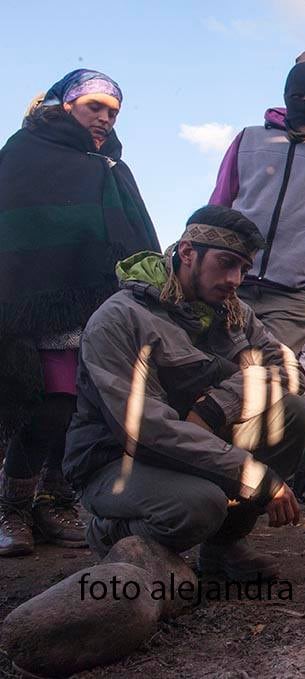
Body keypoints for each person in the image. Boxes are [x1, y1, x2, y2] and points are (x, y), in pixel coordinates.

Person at [63, 206, 305, 581]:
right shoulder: (120, 318)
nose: (234, 279)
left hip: (193, 445)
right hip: (117, 459)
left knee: (293, 413)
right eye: (226, 263)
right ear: (186, 252)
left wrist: (218, 406)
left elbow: (291, 372)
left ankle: (223, 548)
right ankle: (109, 534)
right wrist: (252, 474)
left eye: (243, 269)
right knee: (200, 507)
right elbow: (143, 432)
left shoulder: (235, 313)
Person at [0, 69, 160, 557]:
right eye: (96, 107)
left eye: (112, 113)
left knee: (77, 409)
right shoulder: (21, 155)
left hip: (95, 308)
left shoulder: (107, 165)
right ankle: (12, 508)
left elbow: (132, 233)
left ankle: (54, 501)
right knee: (45, 407)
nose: (105, 119)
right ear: (66, 105)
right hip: (33, 307)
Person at [210, 50, 305, 354]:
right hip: (232, 281)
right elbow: (219, 205)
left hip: (292, 295)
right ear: (286, 94)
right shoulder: (249, 139)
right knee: (219, 368)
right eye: (297, 96)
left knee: (268, 378)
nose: (304, 103)